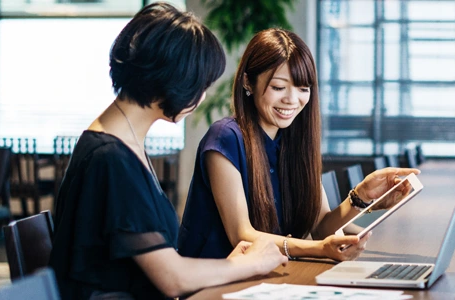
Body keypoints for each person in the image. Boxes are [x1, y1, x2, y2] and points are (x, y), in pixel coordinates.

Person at [48, 3, 287, 299]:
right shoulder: (110, 158)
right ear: (176, 80)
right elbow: (172, 279)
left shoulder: (120, 142)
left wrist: (233, 264)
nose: (200, 97)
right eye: (201, 86)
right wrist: (250, 264)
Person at [179, 28, 420, 262]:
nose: (292, 100)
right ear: (248, 83)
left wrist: (361, 197)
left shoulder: (294, 141)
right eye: (278, 87)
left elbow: (321, 228)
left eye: (303, 88)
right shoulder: (225, 137)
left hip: (266, 276)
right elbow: (242, 236)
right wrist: (318, 250)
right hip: (214, 282)